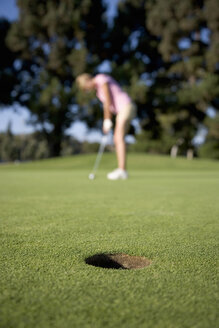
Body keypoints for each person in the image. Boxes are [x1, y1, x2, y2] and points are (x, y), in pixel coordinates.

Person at [76, 73, 136, 180]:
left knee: (118, 137)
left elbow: (108, 100)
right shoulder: (98, 92)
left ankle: (122, 170)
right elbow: (108, 104)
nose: (88, 90)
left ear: (87, 81)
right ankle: (122, 169)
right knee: (117, 138)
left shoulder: (100, 79)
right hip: (122, 109)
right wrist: (107, 120)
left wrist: (107, 119)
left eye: (86, 87)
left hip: (126, 106)